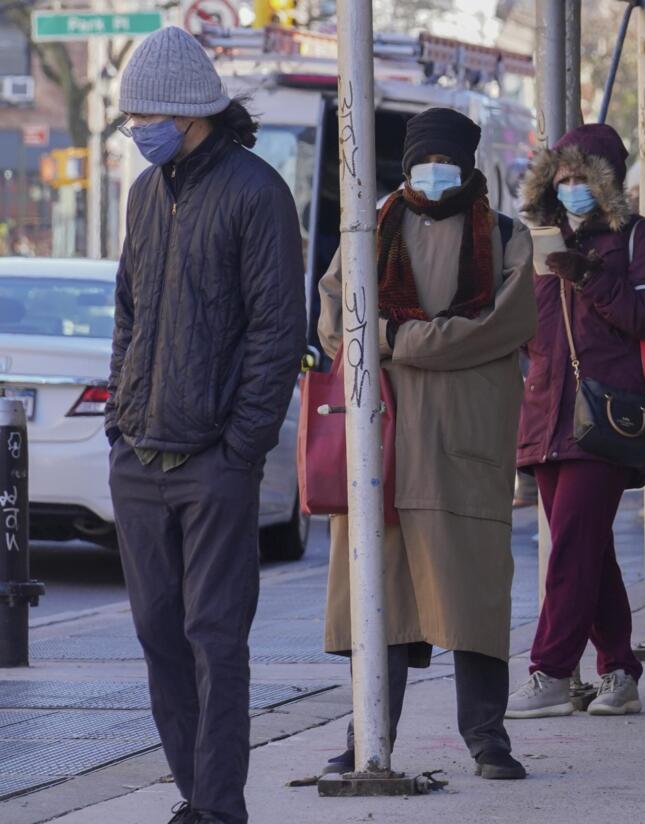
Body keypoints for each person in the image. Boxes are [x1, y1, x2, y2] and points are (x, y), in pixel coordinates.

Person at [106, 28, 305, 824]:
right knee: (160, 638)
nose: (135, 131)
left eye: (142, 116)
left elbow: (276, 334)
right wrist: (120, 423)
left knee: (214, 641)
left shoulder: (257, 193)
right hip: (140, 459)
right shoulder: (144, 196)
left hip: (214, 462)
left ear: (189, 115)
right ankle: (195, 794)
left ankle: (219, 808)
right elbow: (128, 316)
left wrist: (241, 450)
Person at [318, 108, 535, 780]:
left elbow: (502, 326)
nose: (433, 173)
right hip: (380, 451)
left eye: (445, 161)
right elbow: (334, 322)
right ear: (406, 167)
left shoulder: (504, 236)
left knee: (475, 598)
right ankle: (366, 737)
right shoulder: (367, 231)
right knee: (378, 604)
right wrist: (405, 340)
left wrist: (395, 339)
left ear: (467, 166)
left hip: (461, 449)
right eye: (423, 161)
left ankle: (487, 739)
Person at [508, 123, 645, 718]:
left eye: (584, 177)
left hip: (608, 414)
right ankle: (619, 671)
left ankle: (550, 669)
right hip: (547, 415)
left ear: (606, 182)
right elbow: (526, 329)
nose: (572, 186)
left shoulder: (639, 240)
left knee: (572, 546)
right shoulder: (536, 239)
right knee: (588, 549)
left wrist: (588, 276)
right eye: (563, 175)